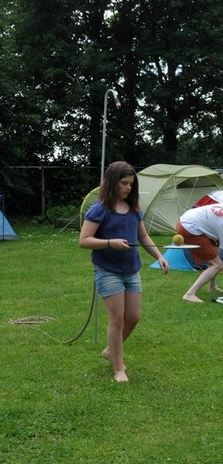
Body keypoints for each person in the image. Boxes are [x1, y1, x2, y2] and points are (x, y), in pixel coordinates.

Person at [79, 161, 169, 382]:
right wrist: (111, 243)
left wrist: (159, 256)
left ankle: (110, 351)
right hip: (108, 271)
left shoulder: (134, 208)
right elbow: (84, 240)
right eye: (124, 183)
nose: (128, 188)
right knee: (117, 320)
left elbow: (143, 236)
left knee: (133, 317)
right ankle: (118, 369)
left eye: (131, 184)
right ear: (112, 182)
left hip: (131, 270)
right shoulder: (99, 209)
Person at [176, 203, 223, 302]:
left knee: (216, 246)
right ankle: (189, 294)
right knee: (217, 264)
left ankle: (212, 286)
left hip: (183, 220)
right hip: (189, 229)